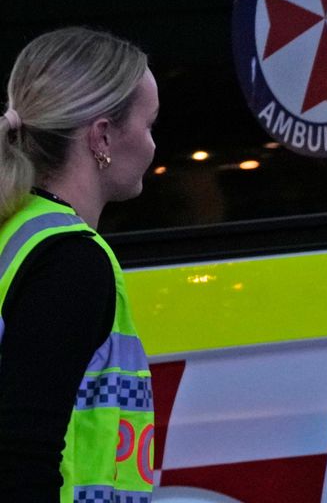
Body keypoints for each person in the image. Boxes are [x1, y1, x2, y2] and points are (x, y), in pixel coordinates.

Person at [0, 27, 159, 501]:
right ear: (103, 136)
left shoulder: (17, 228)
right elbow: (21, 458)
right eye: (149, 126)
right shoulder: (71, 261)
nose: (153, 147)